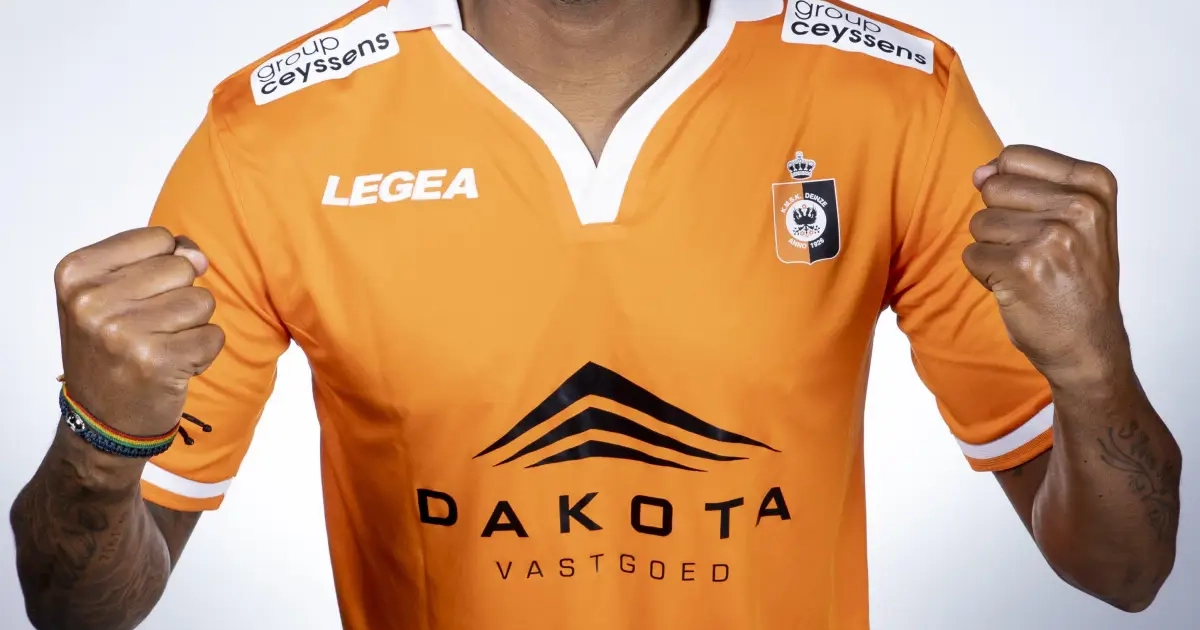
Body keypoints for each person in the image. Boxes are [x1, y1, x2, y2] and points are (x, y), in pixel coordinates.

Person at [9, 0, 1182, 629]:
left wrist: (1095, 367)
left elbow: (1125, 571)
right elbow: (76, 609)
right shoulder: (275, 135)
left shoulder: (893, 100)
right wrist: (102, 446)